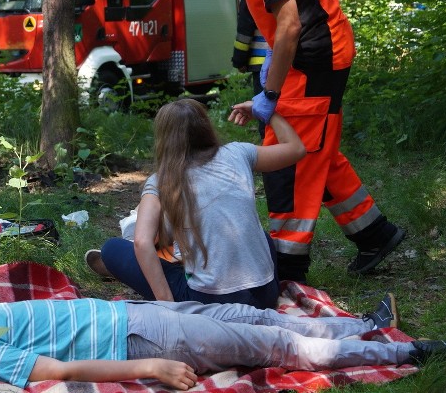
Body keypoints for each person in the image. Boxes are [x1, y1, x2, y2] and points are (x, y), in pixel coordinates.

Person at [192, 0, 406, 282]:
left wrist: (270, 93)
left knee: (286, 159)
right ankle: (374, 234)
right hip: (315, 53)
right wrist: (275, 64)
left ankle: (287, 269)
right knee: (315, 147)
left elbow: (290, 24)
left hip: (316, 57)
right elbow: (285, 19)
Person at [0, 293, 446, 390]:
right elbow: (51, 369)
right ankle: (407, 352)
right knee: (273, 347)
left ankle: (359, 325)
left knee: (245, 313)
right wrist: (151, 363)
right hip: (138, 335)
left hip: (133, 310)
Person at [97, 98, 305, 308]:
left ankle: (166, 272)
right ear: (205, 127)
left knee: (112, 248)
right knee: (262, 237)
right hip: (265, 296)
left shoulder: (162, 180)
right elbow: (296, 149)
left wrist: (169, 305)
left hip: (209, 303)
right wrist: (266, 113)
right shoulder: (238, 153)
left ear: (164, 139)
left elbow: (142, 242)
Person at [232, 0, 270, 140]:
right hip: (288, 62)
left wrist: (239, 60)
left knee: (264, 110)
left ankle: (269, 148)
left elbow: (244, 29)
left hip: (261, 64)